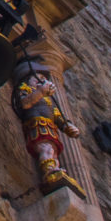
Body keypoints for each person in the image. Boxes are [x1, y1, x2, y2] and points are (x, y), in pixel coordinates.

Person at [11, 54, 83, 196]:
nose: (41, 80)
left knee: (53, 152)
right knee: (46, 148)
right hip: (37, 125)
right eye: (37, 78)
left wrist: (67, 126)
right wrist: (40, 91)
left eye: (43, 79)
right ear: (28, 80)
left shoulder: (48, 100)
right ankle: (49, 173)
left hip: (50, 127)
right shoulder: (27, 91)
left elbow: (57, 115)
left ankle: (53, 170)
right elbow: (25, 103)